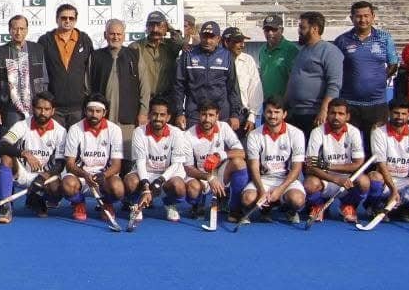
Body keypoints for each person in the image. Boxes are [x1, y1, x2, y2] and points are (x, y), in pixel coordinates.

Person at [333, 1, 398, 139]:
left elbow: (393, 63)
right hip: (350, 104)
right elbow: (334, 68)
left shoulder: (384, 38)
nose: (363, 20)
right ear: (351, 18)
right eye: (358, 16)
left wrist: (379, 78)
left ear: (373, 16)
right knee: (350, 145)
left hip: (377, 104)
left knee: (375, 146)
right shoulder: (342, 40)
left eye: (366, 16)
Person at [0, 92, 67, 218]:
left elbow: (60, 163)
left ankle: (35, 198)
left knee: (56, 190)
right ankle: (5, 206)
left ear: (53, 111)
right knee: (6, 157)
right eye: (39, 108)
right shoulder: (22, 125)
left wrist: (44, 176)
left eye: (47, 109)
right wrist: (23, 154)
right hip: (22, 173)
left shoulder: (60, 131)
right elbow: (2, 145)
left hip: (45, 177)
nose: (43, 113)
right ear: (32, 108)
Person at [364, 99, 409, 223]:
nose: (400, 117)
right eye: (396, 113)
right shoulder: (378, 133)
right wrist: (394, 190)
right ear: (389, 113)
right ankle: (375, 205)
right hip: (386, 179)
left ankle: (404, 207)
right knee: (374, 178)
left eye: (403, 114)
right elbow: (381, 165)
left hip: (406, 181)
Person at [179, 99, 244, 227]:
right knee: (193, 189)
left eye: (211, 115)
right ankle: (197, 204)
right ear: (199, 115)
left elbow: (241, 152)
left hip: (220, 172)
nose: (207, 119)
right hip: (200, 175)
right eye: (203, 114)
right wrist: (209, 177)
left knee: (239, 163)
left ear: (217, 116)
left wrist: (221, 155)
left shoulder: (224, 127)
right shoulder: (188, 135)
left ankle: (234, 207)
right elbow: (188, 168)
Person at [303, 98, 370, 222]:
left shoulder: (354, 132)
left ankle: (348, 206)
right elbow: (310, 166)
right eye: (333, 113)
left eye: (341, 114)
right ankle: (318, 205)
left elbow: (358, 164)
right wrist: (335, 179)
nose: (336, 117)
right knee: (309, 184)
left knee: (364, 182)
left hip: (347, 180)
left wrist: (327, 166)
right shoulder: (317, 132)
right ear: (327, 114)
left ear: (347, 116)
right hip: (325, 178)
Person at [62, 95, 125, 226]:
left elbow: (117, 165)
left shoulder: (115, 130)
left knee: (118, 189)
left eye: (98, 111)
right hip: (81, 175)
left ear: (104, 112)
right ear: (85, 111)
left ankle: (107, 203)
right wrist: (85, 174)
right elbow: (70, 164)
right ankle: (79, 202)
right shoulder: (75, 129)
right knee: (67, 185)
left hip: (104, 177)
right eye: (90, 110)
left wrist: (104, 175)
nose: (94, 114)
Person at [240, 98, 306, 223]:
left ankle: (288, 209)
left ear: (284, 114)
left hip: (287, 181)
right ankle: (265, 209)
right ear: (264, 113)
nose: (273, 116)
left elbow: (297, 168)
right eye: (269, 112)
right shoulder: (254, 135)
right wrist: (261, 191)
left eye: (277, 112)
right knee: (247, 199)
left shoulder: (296, 134)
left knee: (297, 200)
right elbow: (253, 166)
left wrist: (280, 190)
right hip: (263, 180)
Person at [124, 97, 187, 226]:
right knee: (130, 182)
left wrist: (159, 182)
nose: (158, 118)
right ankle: (135, 204)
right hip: (145, 173)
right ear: (149, 115)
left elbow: (176, 164)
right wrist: (147, 187)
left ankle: (169, 203)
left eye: (162, 115)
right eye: (155, 114)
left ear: (168, 117)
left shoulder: (177, 133)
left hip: (167, 175)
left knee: (179, 187)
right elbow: (140, 162)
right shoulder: (139, 132)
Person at [173, 19, 242, 131]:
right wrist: (179, 112)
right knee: (195, 146)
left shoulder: (227, 56)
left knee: (220, 147)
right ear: (200, 36)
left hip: (221, 113)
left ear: (218, 39)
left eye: (211, 37)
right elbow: (179, 86)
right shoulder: (188, 55)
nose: (207, 40)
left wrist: (235, 114)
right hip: (195, 112)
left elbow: (233, 87)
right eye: (204, 36)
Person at [284, 11, 343, 137]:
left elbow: (334, 84)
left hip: (314, 114)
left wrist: (324, 110)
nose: (299, 31)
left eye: (302, 27)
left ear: (314, 29)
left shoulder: (329, 51)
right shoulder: (302, 51)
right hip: (295, 113)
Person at [87, 19, 140, 147]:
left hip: (127, 116)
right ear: (105, 35)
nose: (115, 37)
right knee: (102, 152)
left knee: (126, 156)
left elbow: (144, 86)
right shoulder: (95, 56)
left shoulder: (134, 55)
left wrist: (143, 112)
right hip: (101, 117)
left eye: (119, 34)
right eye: (112, 34)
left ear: (124, 36)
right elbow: (87, 85)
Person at [38, 3, 93, 126]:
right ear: (57, 19)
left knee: (76, 144)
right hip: (53, 107)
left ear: (75, 20)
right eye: (63, 18)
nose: (67, 21)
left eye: (71, 18)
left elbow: (90, 71)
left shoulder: (85, 40)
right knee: (55, 145)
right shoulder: (45, 41)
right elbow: (40, 72)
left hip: (79, 107)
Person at [0, 14, 47, 135]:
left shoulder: (38, 49)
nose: (18, 32)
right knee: (11, 144)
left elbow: (45, 80)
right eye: (15, 29)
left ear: (27, 30)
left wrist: (42, 106)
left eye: (22, 29)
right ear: (9, 30)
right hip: (10, 108)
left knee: (33, 145)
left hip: (35, 107)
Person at [134, 11, 182, 127]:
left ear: (165, 27)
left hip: (167, 100)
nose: (155, 29)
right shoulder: (136, 47)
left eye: (159, 25)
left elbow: (181, 42)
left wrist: (170, 29)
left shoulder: (171, 46)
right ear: (146, 27)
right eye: (151, 25)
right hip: (145, 102)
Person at [223, 27, 261, 132]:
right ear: (226, 42)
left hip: (243, 116)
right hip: (222, 115)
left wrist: (252, 116)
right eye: (237, 42)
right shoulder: (219, 61)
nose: (242, 45)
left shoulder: (248, 60)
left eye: (243, 42)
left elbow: (255, 89)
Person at [256, 14, 297, 108]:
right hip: (267, 105)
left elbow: (294, 80)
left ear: (281, 30)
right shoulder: (262, 50)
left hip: (284, 106)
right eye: (267, 30)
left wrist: (285, 102)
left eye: (274, 30)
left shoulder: (291, 50)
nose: (270, 33)